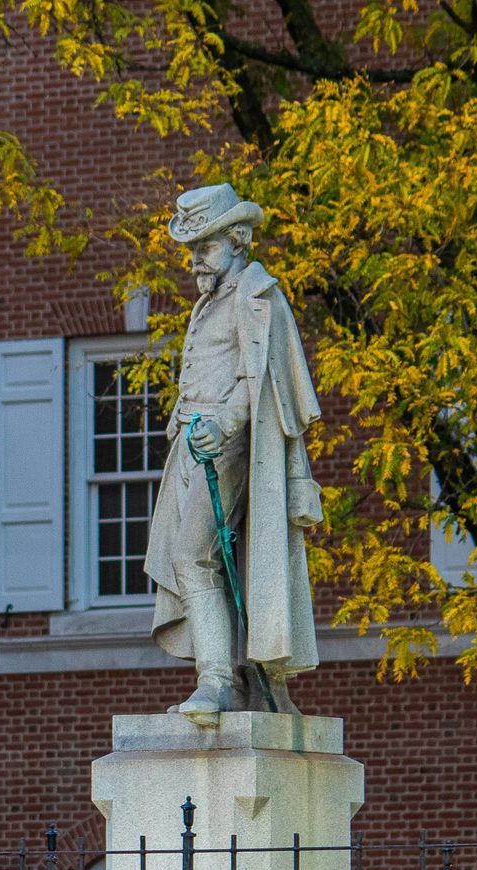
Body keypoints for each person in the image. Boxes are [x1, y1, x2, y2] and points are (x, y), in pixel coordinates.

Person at [145, 183, 324, 722]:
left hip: (232, 446)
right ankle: (245, 680)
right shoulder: (208, 302)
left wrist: (222, 424)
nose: (196, 259)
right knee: (213, 562)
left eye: (206, 245)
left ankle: (217, 679)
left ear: (239, 238)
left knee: (192, 555)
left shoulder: (257, 296)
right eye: (192, 248)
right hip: (190, 445)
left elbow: (261, 380)